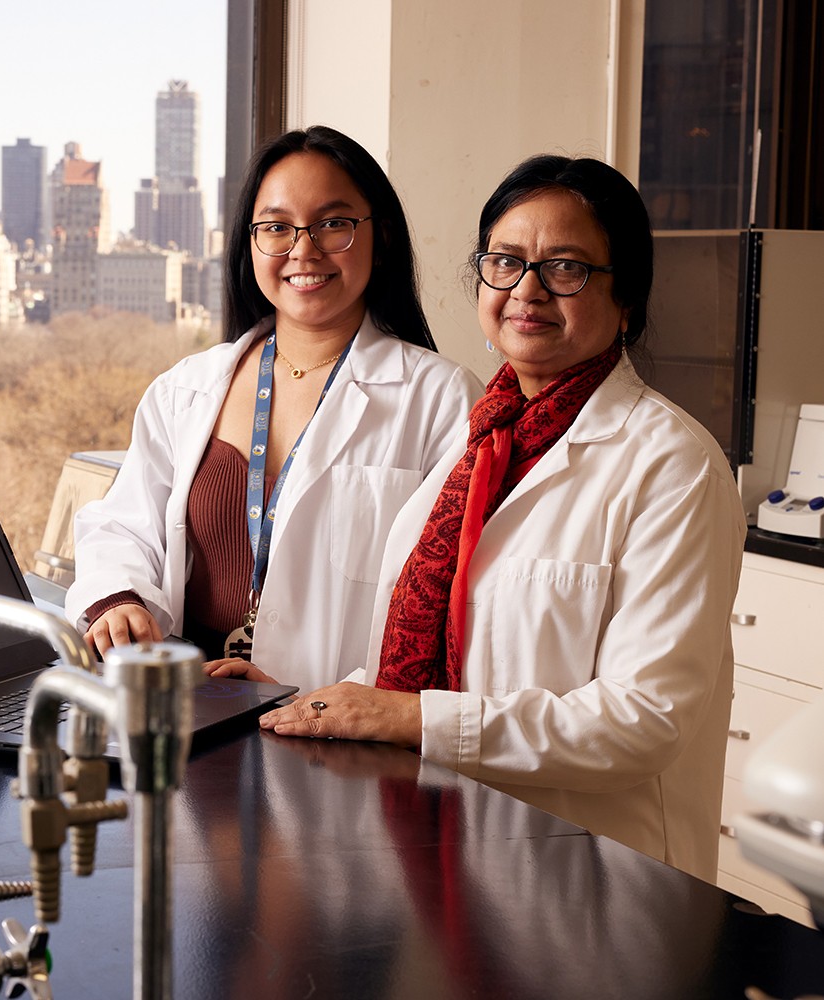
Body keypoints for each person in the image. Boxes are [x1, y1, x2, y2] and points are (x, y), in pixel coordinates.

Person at [256, 154, 746, 882]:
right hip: (457, 858)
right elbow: (431, 650)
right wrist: (300, 699)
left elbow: (644, 720)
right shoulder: (481, 442)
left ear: (628, 301)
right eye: (506, 262)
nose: (528, 290)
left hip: (601, 887)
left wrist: (414, 721)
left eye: (568, 268)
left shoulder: (672, 463)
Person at [65, 126, 482, 692]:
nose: (303, 250)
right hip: (195, 712)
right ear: (250, 242)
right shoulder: (185, 389)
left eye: (333, 224)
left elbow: (444, 603)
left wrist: (315, 697)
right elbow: (122, 524)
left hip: (341, 727)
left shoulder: (442, 399)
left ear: (379, 237)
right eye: (277, 228)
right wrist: (119, 599)